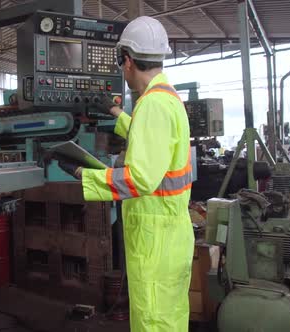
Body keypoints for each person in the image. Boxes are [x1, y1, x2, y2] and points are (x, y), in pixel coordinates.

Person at [57, 16, 194, 332]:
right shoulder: (167, 98)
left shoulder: (153, 105)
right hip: (170, 235)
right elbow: (153, 144)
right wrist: (115, 112)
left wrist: (83, 174)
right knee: (170, 318)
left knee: (153, 322)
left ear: (128, 61)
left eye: (122, 64)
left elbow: (141, 178)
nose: (122, 70)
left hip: (154, 239)